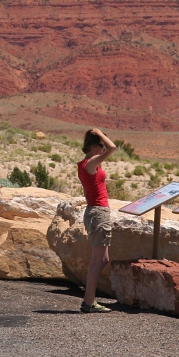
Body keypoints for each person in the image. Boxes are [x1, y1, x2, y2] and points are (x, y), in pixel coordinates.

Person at [77, 128, 117, 313]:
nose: (103, 149)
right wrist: (101, 133)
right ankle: (88, 302)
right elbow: (113, 147)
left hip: (96, 211)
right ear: (92, 146)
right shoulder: (91, 163)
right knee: (96, 261)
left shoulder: (85, 165)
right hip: (98, 212)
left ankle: (89, 299)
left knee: (103, 259)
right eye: (100, 145)